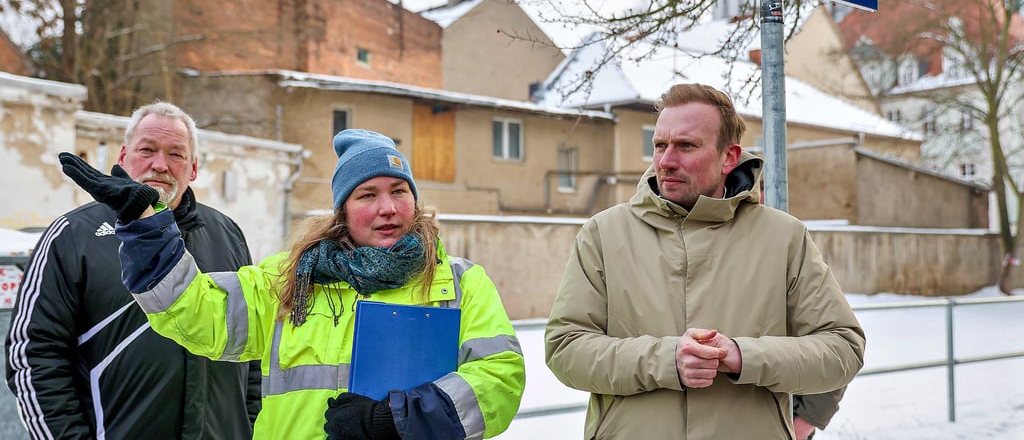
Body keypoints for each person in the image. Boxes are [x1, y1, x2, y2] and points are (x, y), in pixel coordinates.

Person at [57, 128, 526, 440]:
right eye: (368, 194)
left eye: (399, 191)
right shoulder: (288, 279)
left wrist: (397, 421)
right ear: (343, 212)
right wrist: (146, 227)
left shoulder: (459, 282)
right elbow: (194, 312)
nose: (388, 208)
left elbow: (500, 380)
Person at [545, 83, 866, 439]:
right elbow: (565, 348)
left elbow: (843, 348)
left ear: (729, 157)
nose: (666, 161)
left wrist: (744, 356)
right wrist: (666, 359)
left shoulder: (784, 237)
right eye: (660, 145)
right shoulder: (603, 234)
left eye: (686, 146)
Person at [5, 101, 261, 439]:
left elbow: (253, 352)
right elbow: (33, 355)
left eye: (176, 154)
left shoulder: (226, 234)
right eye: (147, 150)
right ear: (123, 156)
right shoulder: (73, 235)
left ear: (194, 168)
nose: (160, 164)